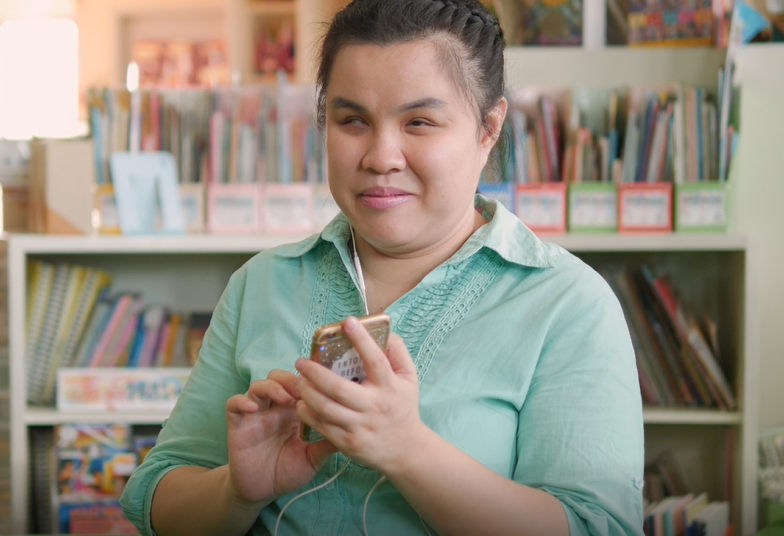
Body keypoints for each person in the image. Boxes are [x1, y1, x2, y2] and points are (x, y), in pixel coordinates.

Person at [120, 0, 645, 534]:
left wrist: (408, 450)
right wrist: (235, 491)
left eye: (419, 122)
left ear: (489, 127)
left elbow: (596, 526)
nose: (380, 156)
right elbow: (155, 495)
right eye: (353, 121)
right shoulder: (261, 283)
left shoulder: (568, 302)